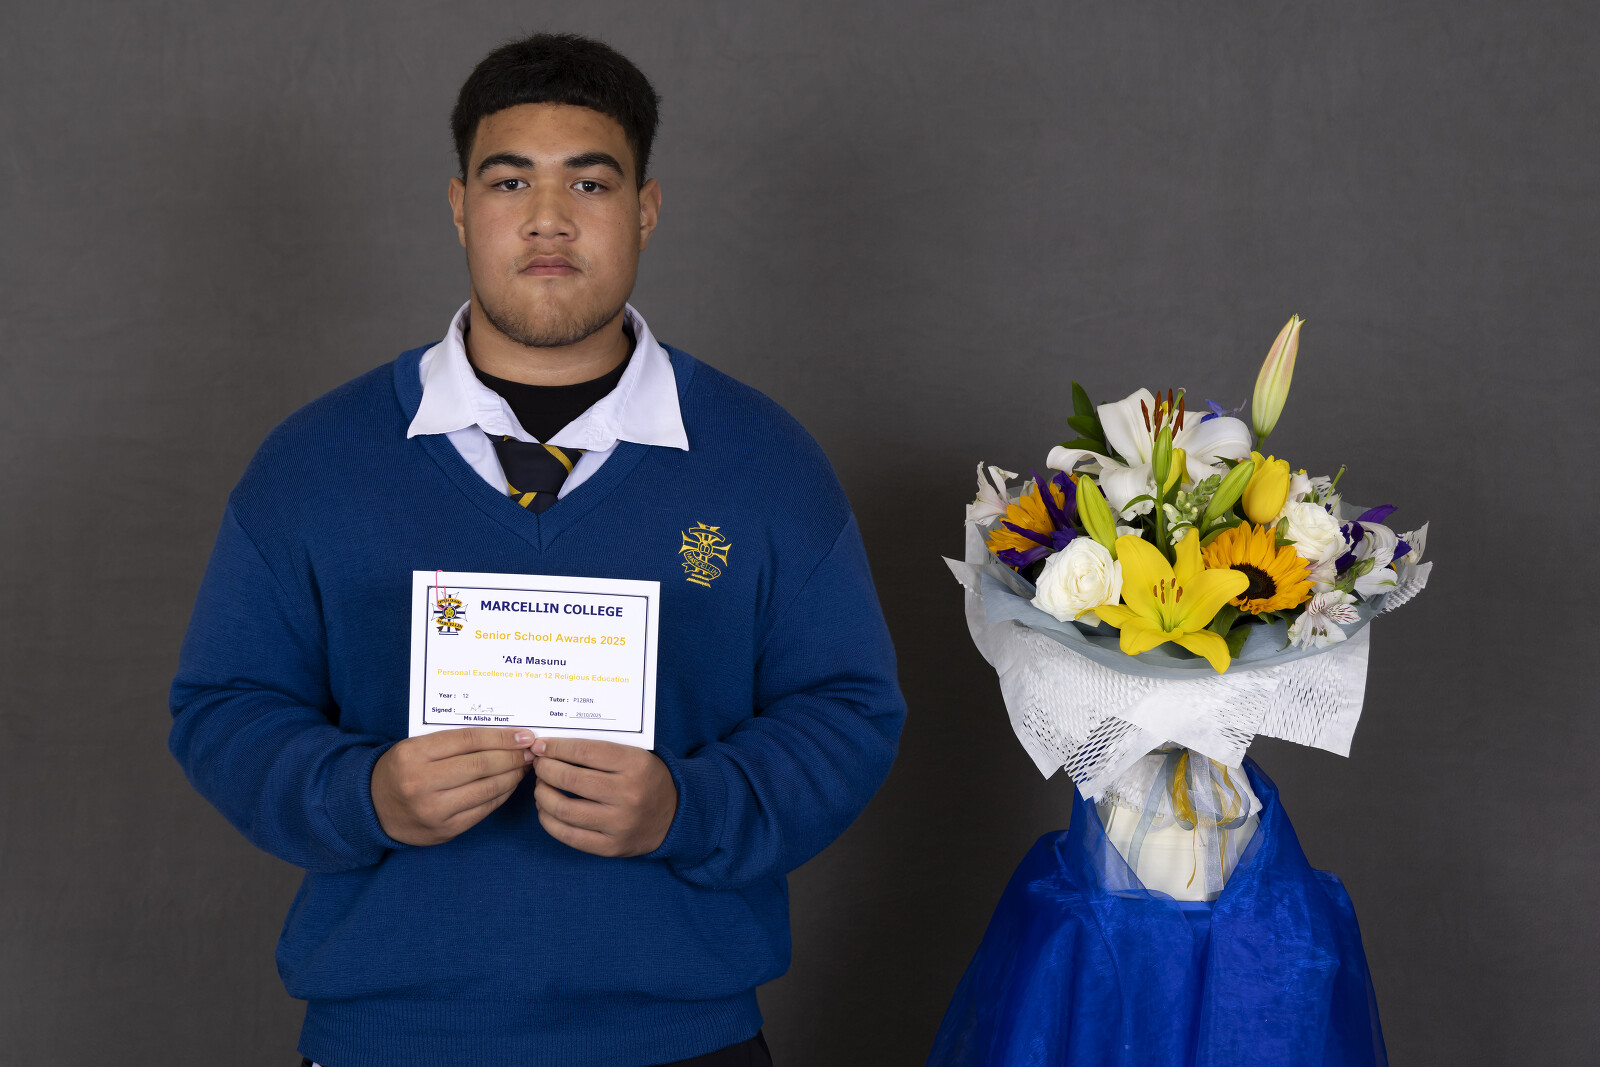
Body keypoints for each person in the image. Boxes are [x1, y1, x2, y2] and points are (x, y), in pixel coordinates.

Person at [169, 32, 905, 1067]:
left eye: (590, 183)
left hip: (682, 1037)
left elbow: (848, 708)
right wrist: (364, 793)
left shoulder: (763, 460)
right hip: (389, 1037)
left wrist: (687, 806)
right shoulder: (314, 461)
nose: (549, 217)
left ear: (645, 209)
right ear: (460, 205)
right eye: (510, 180)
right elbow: (223, 705)